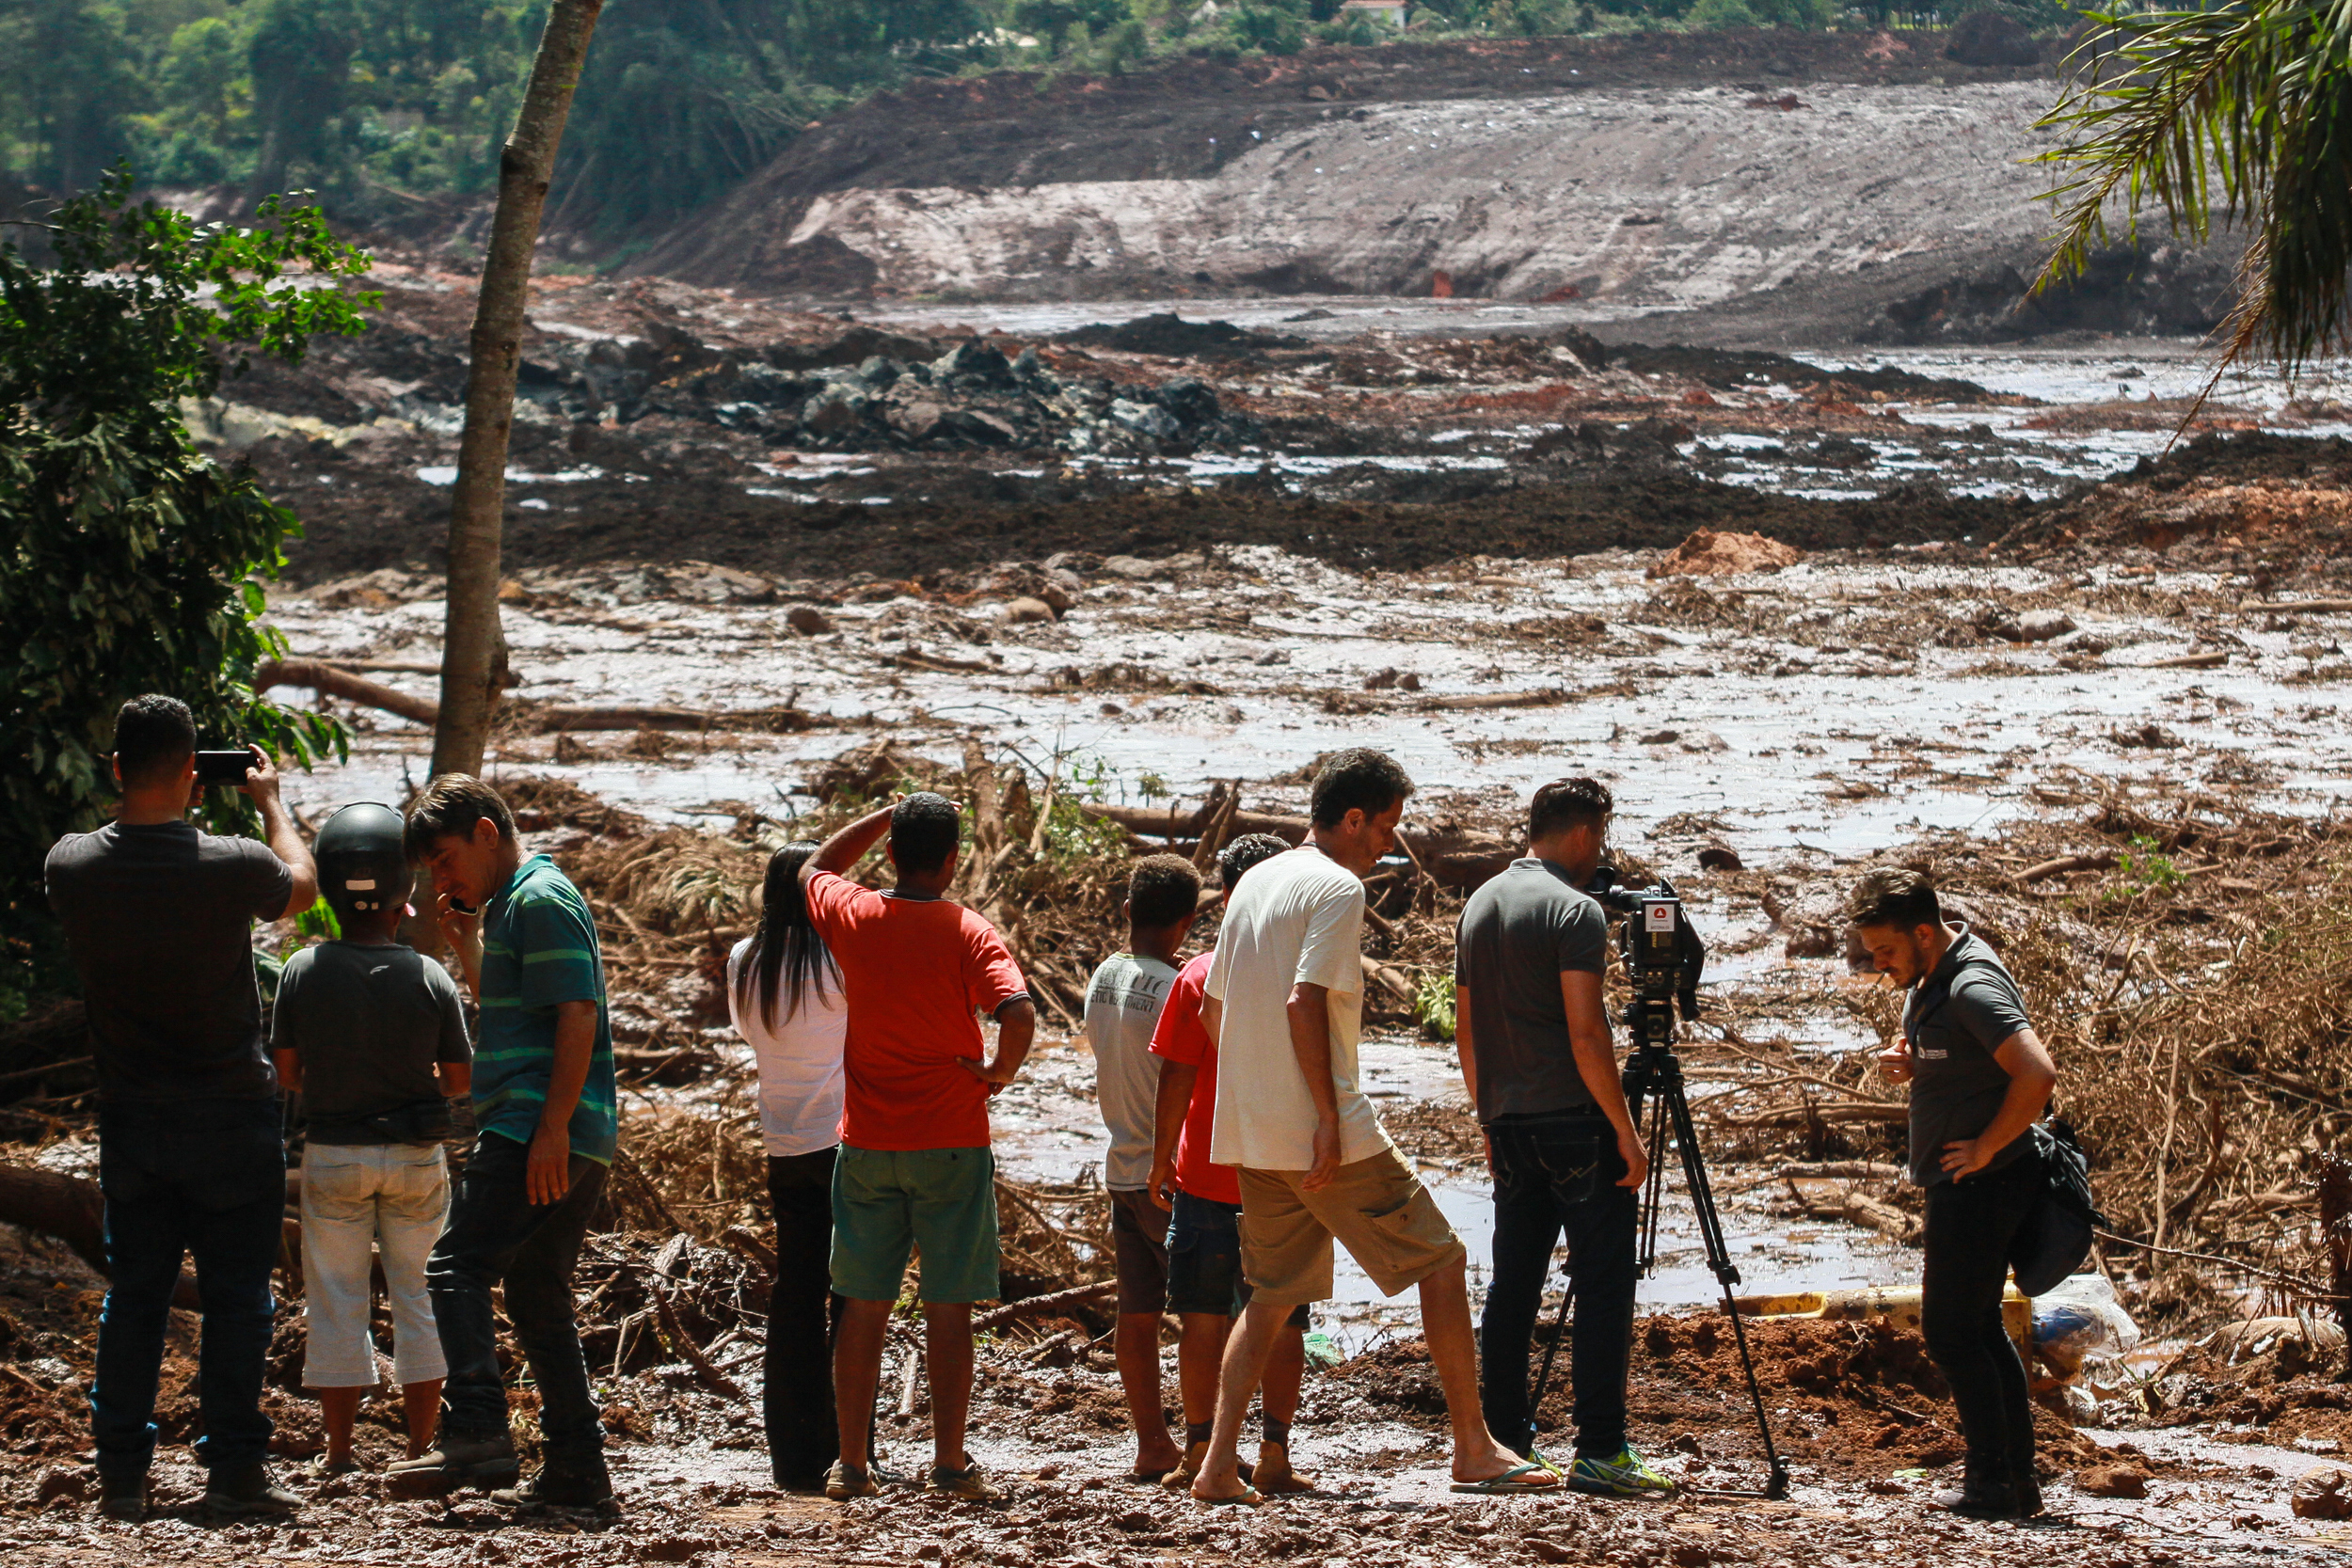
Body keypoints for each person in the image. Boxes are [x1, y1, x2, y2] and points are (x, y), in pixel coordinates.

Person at [1192, 750, 1555, 1503]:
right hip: (1323, 1129)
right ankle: (1472, 1446)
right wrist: (1325, 1117)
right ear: (1352, 818)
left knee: (1269, 1294)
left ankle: (1217, 1465)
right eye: (1386, 826)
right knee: (1443, 1260)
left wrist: (1265, 1102)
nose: (1389, 842)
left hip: (1251, 1128)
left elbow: (1212, 1010)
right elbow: (1303, 1002)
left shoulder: (1254, 880)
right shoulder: (1337, 886)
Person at [44, 696, 319, 1522]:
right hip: (232, 1115)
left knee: (136, 1295)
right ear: (197, 777)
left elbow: (115, 851)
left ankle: (123, 1475)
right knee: (239, 1298)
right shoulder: (234, 861)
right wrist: (270, 801)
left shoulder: (71, 864)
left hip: (134, 1118)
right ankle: (234, 1470)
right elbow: (301, 887)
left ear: (118, 768)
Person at [797, 793, 1037, 1503]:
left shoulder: (855, 913)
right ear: (955, 859)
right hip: (952, 1143)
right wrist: (997, 1072)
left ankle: (851, 1463)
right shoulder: (969, 930)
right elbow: (1017, 1012)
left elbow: (814, 864)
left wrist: (878, 814)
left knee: (863, 1304)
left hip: (869, 1140)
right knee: (949, 1306)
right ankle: (949, 1461)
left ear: (893, 854)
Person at [388, 775, 620, 1509]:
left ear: (488, 833)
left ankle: (481, 1427)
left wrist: (549, 1126)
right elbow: (520, 1009)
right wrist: (466, 945)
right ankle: (579, 1469)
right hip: (565, 1129)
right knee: (535, 1292)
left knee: (455, 1266)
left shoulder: (539, 898)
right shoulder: (517, 903)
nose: (441, 877)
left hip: (535, 1125)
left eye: (446, 858)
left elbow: (577, 1014)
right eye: (430, 869)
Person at [1454, 778, 1672, 1497]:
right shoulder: (1576, 911)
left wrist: (1488, 1114)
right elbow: (1587, 1032)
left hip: (1509, 1121)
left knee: (1513, 1284)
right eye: (1601, 837)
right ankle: (1601, 1449)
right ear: (1584, 831)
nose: (1601, 852)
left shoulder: (1479, 903)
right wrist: (1625, 1130)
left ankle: (1502, 1440)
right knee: (1604, 1282)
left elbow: (1467, 1031)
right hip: (1576, 1122)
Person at [1850, 868, 2058, 1521]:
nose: (1878, 964)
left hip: (1984, 1180)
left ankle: (1993, 1481)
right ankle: (2013, 1479)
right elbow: (1968, 1056)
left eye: (1884, 950)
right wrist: (1918, 1062)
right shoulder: (1932, 976)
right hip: (1967, 1178)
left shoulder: (1970, 984)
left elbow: (2037, 1072)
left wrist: (1988, 1146)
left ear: (1921, 932)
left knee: (1949, 1330)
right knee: (1977, 1326)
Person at [272, 801, 471, 1476]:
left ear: (328, 888)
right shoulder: (430, 975)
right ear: (405, 892)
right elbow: (459, 1079)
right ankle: (419, 1448)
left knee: (335, 1296)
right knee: (420, 1294)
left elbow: (290, 1073)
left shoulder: (301, 969)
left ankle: (338, 1452)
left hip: (333, 1154)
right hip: (417, 1156)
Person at [1146, 832, 1314, 1497]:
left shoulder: (1198, 975)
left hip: (1207, 1173)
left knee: (1203, 1315)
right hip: (1280, 1170)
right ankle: (1273, 1448)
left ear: (1223, 895)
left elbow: (1177, 1078)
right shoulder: (1303, 975)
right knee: (1282, 1315)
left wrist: (1162, 1158)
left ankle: (1197, 1445)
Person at [727, 840, 848, 1493]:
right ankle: (845, 1447)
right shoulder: (837, 959)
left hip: (783, 1143)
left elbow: (749, 1035)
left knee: (794, 1291)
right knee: (847, 1294)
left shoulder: (746, 960)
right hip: (840, 1142)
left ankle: (791, 1454)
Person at [1082, 852, 1200, 1482]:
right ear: (1185, 922)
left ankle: (1153, 1442)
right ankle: (1206, 1438)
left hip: (1121, 1166)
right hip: (1168, 1174)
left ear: (1127, 911)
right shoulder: (1178, 989)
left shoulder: (1103, 974)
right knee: (1208, 1312)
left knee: (1138, 1313)